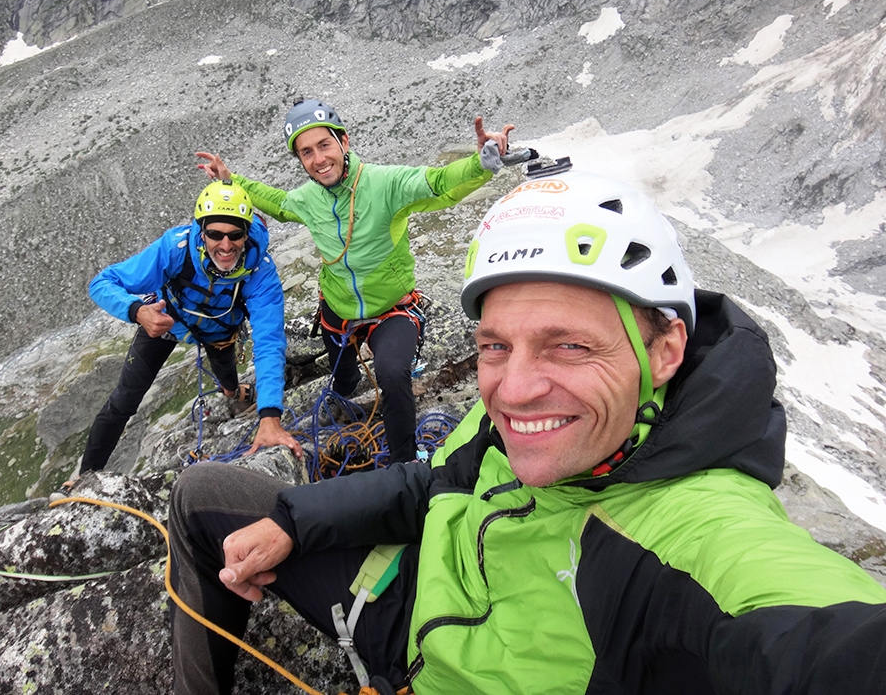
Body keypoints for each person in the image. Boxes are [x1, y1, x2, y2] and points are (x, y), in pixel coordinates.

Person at [168, 165, 886, 695]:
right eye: (495, 345)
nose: (513, 389)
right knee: (202, 495)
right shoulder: (514, 413)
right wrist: (294, 519)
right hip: (399, 598)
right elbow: (433, 480)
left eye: (569, 345)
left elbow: (820, 639)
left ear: (664, 351)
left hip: (427, 661)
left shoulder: (689, 536)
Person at [195, 98, 514, 464]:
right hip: (337, 311)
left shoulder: (384, 183)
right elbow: (277, 203)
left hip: (391, 309)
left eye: (324, 145)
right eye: (306, 152)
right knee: (342, 379)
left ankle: (405, 468)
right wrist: (230, 182)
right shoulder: (307, 199)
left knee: (392, 374)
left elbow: (438, 184)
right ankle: (342, 395)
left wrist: (480, 164)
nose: (318, 159)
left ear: (344, 142)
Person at [66, 180, 302, 490]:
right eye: (215, 234)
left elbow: (269, 342)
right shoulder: (176, 249)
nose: (226, 245)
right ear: (201, 231)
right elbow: (102, 282)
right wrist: (137, 311)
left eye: (235, 235)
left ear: (247, 233)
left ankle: (232, 392)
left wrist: (270, 416)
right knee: (124, 400)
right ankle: (85, 477)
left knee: (226, 375)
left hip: (220, 332)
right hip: (166, 322)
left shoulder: (261, 273)